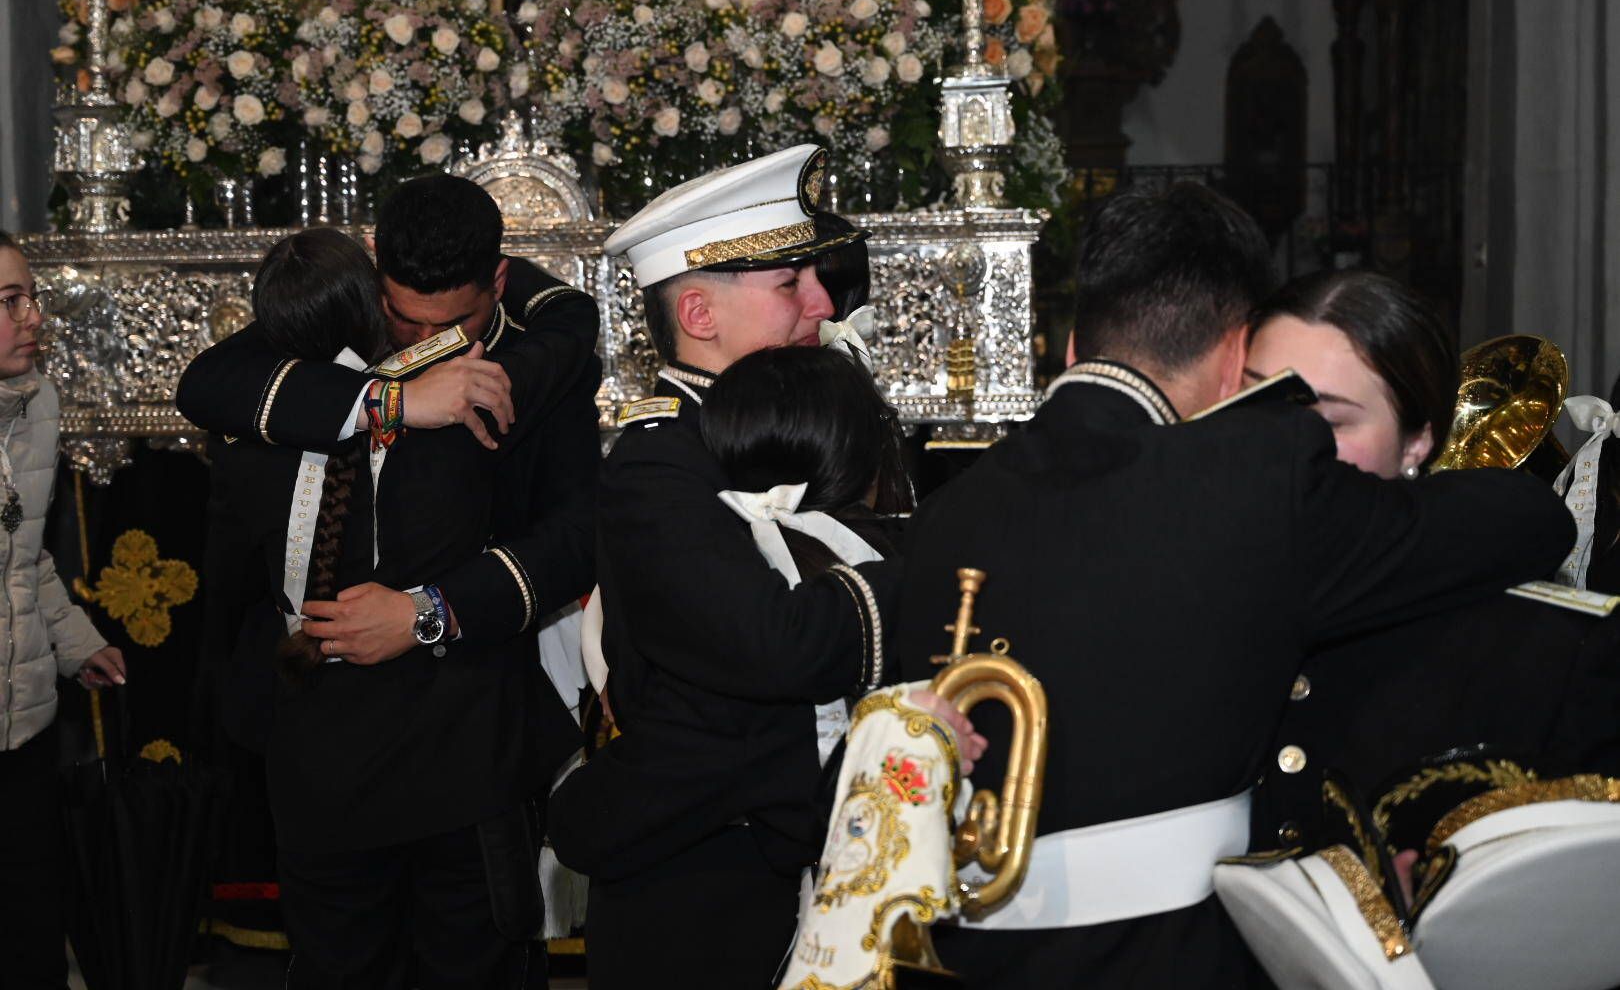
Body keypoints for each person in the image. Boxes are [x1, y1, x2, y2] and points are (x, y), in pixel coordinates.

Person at [892, 183, 1575, 988]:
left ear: (1073, 345)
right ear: (1230, 359)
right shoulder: (1256, 486)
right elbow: (1530, 519)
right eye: (1272, 397)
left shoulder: (940, 511)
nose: (1287, 428)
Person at [547, 145, 981, 989]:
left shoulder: (777, 427)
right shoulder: (660, 462)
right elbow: (769, 645)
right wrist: (919, 570)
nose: (822, 303)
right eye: (790, 285)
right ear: (700, 314)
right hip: (700, 889)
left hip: (780, 853)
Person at [179, 177, 601, 985]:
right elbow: (206, 385)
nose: (431, 342)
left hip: (469, 744)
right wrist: (390, 401)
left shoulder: (538, 358)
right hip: (324, 752)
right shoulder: (330, 328)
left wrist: (428, 613)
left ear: (499, 284)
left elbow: (575, 543)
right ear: (376, 273)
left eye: (457, 324)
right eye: (409, 320)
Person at [1243, 270, 1620, 855]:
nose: (1285, 444)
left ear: (1420, 440)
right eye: (1257, 402)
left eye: (1333, 420)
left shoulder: (1550, 652)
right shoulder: (1186, 574)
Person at [0, 230, 127, 989]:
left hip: (26, 723)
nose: (34, 316)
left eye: (32, 296)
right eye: (10, 301)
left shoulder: (37, 398)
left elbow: (26, 556)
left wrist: (77, 643)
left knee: (30, 934)